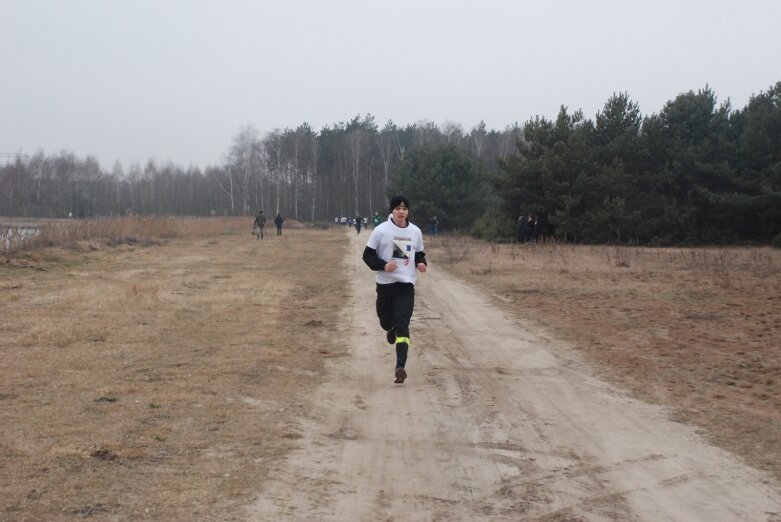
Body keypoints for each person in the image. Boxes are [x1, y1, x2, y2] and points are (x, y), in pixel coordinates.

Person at [362, 196, 427, 384]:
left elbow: (419, 253)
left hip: (406, 285)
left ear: (408, 211)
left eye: (405, 208)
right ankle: (389, 328)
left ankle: (400, 366)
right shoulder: (380, 230)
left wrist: (421, 263)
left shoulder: (415, 231)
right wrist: (382, 265)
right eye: (398, 208)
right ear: (392, 211)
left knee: (403, 325)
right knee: (385, 321)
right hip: (385, 284)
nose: (401, 211)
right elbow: (367, 256)